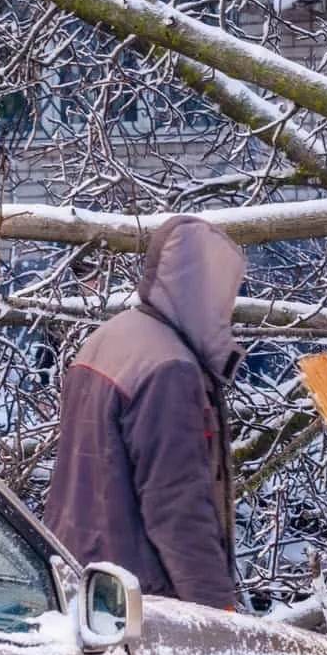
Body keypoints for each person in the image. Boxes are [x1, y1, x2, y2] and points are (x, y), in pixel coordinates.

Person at [47, 215, 246, 611]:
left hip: (81, 578)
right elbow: (176, 504)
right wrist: (216, 606)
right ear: (206, 290)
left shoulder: (107, 339)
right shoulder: (169, 369)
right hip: (140, 601)